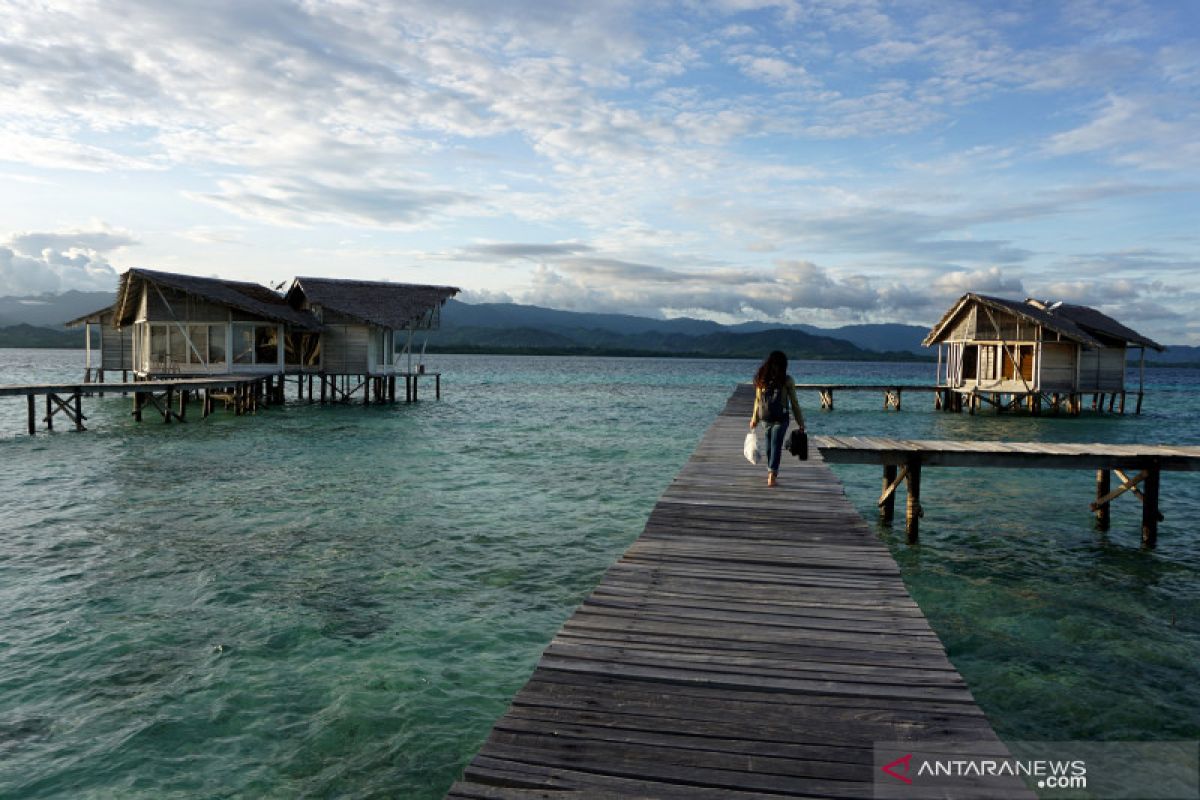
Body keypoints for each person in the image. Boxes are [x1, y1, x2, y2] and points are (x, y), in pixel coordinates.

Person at [749, 350, 805, 487]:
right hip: (781, 418)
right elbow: (794, 403)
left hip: (765, 417)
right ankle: (772, 474)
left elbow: (757, 400)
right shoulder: (787, 380)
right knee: (776, 445)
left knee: (770, 445)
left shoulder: (762, 379)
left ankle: (771, 471)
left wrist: (754, 418)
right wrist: (800, 423)